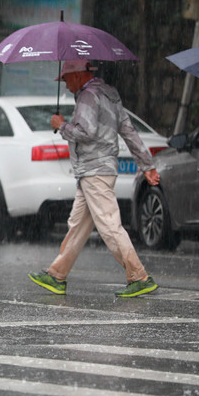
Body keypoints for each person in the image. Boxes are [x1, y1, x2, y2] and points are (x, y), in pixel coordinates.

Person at [28, 59, 161, 298]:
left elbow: (85, 133)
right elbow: (129, 131)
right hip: (98, 169)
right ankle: (57, 275)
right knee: (77, 226)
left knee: (110, 226)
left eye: (66, 78)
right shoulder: (110, 95)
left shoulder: (88, 96)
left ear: (78, 74)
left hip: (94, 170)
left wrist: (62, 125)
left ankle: (139, 276)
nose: (66, 85)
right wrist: (147, 164)